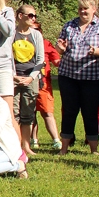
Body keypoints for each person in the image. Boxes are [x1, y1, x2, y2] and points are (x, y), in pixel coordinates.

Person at [55, 0, 99, 155]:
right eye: (80, 8)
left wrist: (97, 51)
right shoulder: (70, 25)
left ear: (94, 9)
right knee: (69, 111)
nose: (82, 12)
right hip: (68, 76)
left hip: (93, 77)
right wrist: (60, 47)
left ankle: (93, 149)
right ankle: (64, 147)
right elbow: (61, 46)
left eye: (86, 8)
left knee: (90, 112)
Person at [12, 5, 45, 156]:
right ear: (20, 16)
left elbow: (40, 59)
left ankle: (26, 146)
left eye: (34, 16)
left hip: (31, 78)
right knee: (13, 113)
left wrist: (31, 77)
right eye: (30, 15)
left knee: (28, 115)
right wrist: (13, 76)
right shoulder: (11, 33)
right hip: (13, 78)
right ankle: (14, 146)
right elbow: (5, 57)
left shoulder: (36, 35)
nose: (33, 19)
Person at [30, 21, 62, 150]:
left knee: (47, 112)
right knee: (30, 114)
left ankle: (56, 140)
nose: (34, 32)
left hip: (44, 84)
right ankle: (33, 140)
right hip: (27, 82)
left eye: (37, 29)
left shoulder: (46, 44)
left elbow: (57, 62)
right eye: (31, 29)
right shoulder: (20, 42)